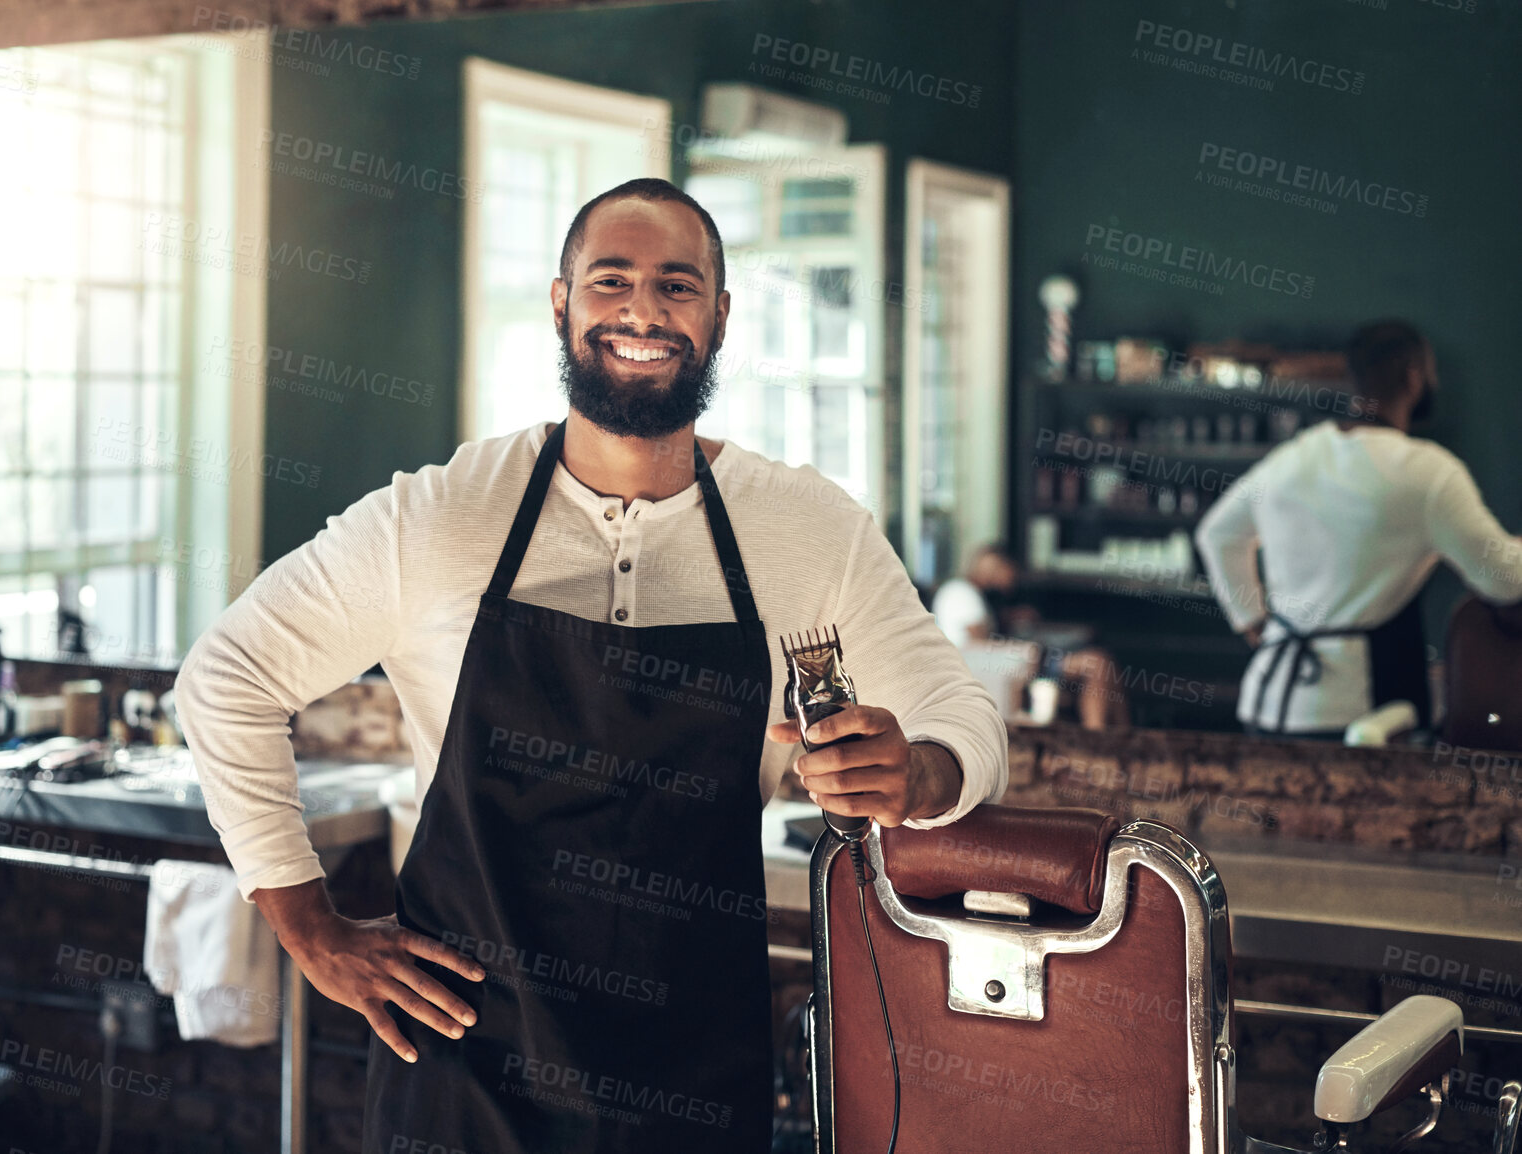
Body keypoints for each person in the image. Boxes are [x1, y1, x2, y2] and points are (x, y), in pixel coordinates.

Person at [173, 178, 1008, 1154]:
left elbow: (960, 710)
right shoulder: (441, 517)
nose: (643, 310)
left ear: (722, 315)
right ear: (562, 302)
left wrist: (920, 771)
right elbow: (225, 674)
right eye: (610, 279)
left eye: (678, 285)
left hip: (693, 1074)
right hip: (463, 1069)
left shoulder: (807, 529)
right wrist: (310, 929)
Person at [1195, 320, 1522, 737]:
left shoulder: (1294, 456)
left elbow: (1217, 535)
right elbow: (1506, 581)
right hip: (1355, 716)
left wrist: (1254, 622)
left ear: (1351, 379)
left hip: (1269, 700)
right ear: (1414, 378)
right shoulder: (1427, 472)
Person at [934, 543, 1128, 729]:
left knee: (1101, 662)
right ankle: (1098, 736)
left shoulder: (967, 594)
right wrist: (1025, 649)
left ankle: (1118, 737)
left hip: (1011, 665)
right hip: (1011, 667)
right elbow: (979, 644)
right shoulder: (962, 592)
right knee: (1097, 664)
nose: (1012, 580)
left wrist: (1008, 619)